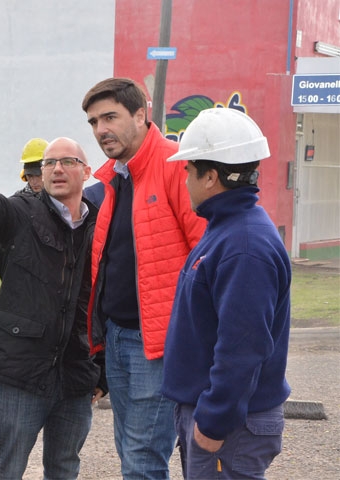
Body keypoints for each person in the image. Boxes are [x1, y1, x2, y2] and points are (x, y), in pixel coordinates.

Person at [0, 105, 107, 479]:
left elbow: (106, 304)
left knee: (65, 467)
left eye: (66, 161)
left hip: (75, 374)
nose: (55, 169)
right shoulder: (21, 214)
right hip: (21, 372)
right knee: (8, 468)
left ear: (86, 172)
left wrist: (102, 373)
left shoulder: (102, 226)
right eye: (49, 163)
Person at [81, 77, 207, 479]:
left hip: (158, 344)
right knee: (130, 451)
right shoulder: (116, 177)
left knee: (142, 458)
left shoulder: (175, 166)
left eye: (110, 117)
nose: (101, 130)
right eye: (94, 122)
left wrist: (193, 339)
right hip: (118, 337)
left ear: (140, 115)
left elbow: (205, 256)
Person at [162, 108, 291, 479]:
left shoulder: (243, 244)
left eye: (188, 170)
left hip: (229, 425)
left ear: (211, 177)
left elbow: (243, 346)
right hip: (221, 416)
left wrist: (213, 422)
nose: (184, 179)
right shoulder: (230, 228)